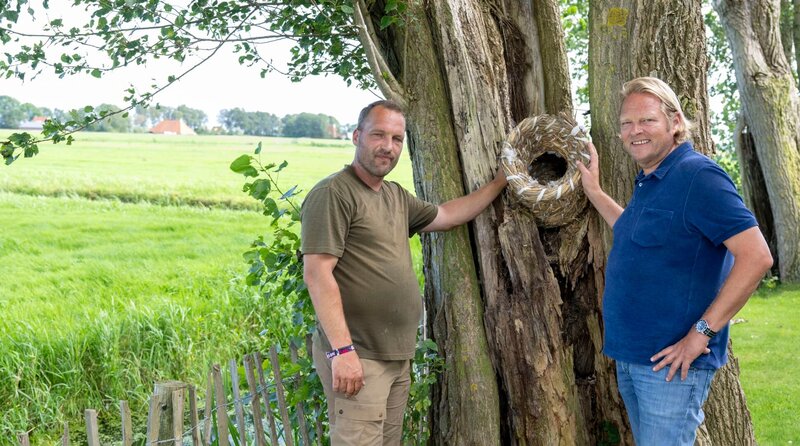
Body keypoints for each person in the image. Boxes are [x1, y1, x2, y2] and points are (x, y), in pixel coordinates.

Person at [577, 77, 773, 445]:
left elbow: (757, 256)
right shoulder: (651, 179)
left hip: (671, 365)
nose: (635, 131)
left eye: (647, 120)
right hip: (633, 355)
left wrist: (701, 334)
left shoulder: (699, 176)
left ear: (676, 122)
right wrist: (596, 193)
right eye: (626, 123)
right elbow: (638, 235)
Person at [300, 100, 507, 445]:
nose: (388, 146)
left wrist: (499, 183)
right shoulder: (333, 194)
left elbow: (445, 216)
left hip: (395, 357)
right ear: (356, 136)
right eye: (378, 135)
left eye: (397, 139)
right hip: (360, 357)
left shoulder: (394, 196)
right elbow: (317, 274)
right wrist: (341, 352)